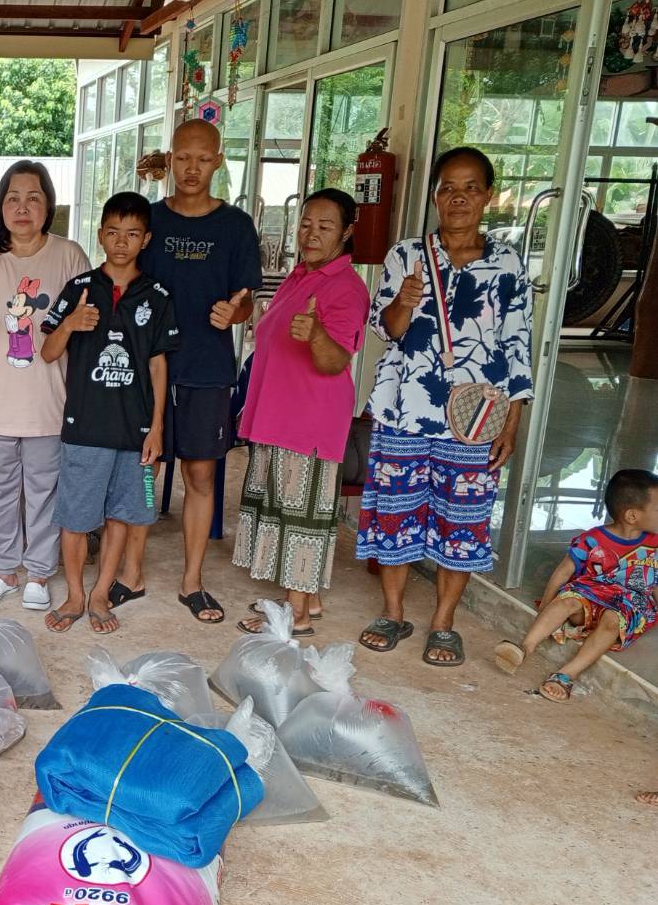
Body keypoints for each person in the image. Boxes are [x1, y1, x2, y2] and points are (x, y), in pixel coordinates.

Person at [356, 146, 533, 666]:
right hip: (404, 410)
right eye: (448, 188)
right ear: (434, 197)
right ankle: (393, 613)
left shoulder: (507, 263)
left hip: (476, 421)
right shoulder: (406, 255)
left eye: (470, 188)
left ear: (488, 196)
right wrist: (403, 302)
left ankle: (443, 623)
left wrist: (512, 422)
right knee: (394, 516)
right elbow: (385, 330)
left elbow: (518, 345)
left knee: (463, 523)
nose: (458, 197)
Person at [0, 161, 90, 612]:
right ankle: (4, 570)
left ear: (48, 206)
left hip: (48, 405)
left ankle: (39, 574)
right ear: (1, 206)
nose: (22, 207)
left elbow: (89, 324)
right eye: (13, 198)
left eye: (33, 198)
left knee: (45, 492)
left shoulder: (69, 256)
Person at [135, 118, 261, 624]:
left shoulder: (235, 226)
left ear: (218, 161)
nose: (192, 168)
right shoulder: (148, 219)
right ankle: (130, 572)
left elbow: (246, 298)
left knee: (201, 474)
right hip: (149, 367)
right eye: (183, 158)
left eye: (203, 159)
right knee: (144, 470)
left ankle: (192, 580)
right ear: (170, 160)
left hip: (207, 368)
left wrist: (236, 313)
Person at [233, 189, 370, 636]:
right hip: (279, 417)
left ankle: (296, 615)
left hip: (307, 423)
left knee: (301, 518)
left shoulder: (345, 287)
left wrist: (315, 334)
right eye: (306, 224)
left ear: (346, 232)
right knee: (284, 510)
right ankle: (308, 598)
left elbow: (334, 361)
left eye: (325, 227)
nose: (311, 234)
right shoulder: (302, 275)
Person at [39, 191, 177, 634]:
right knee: (75, 518)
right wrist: (69, 324)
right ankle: (74, 595)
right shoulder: (80, 288)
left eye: (132, 234)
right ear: (100, 235)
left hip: (134, 431)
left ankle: (100, 594)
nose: (121, 242)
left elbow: (158, 366)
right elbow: (47, 352)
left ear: (146, 239)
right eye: (113, 232)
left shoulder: (157, 296)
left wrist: (156, 428)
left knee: (121, 514)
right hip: (85, 427)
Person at [494, 469, 658, 701]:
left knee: (613, 620)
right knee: (568, 600)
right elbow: (563, 572)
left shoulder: (655, 544)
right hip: (591, 597)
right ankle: (524, 648)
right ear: (632, 516)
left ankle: (566, 675)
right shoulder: (592, 540)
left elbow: (654, 581)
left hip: (629, 604)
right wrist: (546, 609)